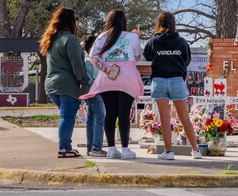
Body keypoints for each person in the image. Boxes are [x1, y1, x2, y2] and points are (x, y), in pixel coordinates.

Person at [81, 9, 144, 159]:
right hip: (128, 77)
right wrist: (136, 38)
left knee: (110, 113)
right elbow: (137, 58)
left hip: (107, 78)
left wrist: (106, 69)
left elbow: (93, 57)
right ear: (124, 22)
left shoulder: (102, 37)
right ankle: (126, 149)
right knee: (124, 113)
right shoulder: (132, 37)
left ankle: (111, 149)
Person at [143, 11, 201, 160]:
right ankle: (195, 150)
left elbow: (147, 56)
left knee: (164, 118)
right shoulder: (181, 42)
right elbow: (186, 60)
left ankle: (168, 152)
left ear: (159, 24)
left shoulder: (153, 41)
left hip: (159, 80)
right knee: (184, 117)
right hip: (177, 80)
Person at [39, 8, 88, 158]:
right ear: (70, 22)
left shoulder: (51, 40)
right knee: (67, 117)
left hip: (51, 85)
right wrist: (84, 82)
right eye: (75, 20)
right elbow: (77, 64)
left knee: (65, 116)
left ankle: (66, 146)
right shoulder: (71, 39)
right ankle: (64, 148)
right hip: (67, 84)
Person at [82, 34, 106, 157]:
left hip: (88, 92)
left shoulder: (85, 58)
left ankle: (90, 147)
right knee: (100, 117)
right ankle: (97, 148)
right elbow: (95, 77)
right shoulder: (92, 60)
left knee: (91, 119)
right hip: (94, 91)